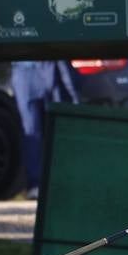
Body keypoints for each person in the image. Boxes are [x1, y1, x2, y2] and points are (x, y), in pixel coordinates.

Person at [8, 59, 79, 198]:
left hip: (50, 66)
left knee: (58, 130)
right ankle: (35, 184)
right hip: (24, 68)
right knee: (30, 131)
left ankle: (63, 182)